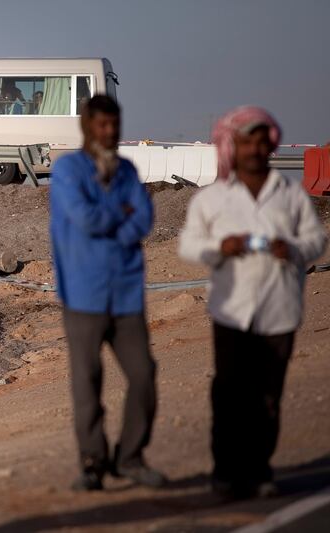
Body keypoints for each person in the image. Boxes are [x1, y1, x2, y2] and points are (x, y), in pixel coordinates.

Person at [179, 106, 327, 499]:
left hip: (279, 310)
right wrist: (220, 247)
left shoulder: (291, 195)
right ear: (233, 145)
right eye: (247, 141)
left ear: (271, 145)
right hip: (232, 310)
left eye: (262, 141)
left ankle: (259, 469)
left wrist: (291, 248)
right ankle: (225, 472)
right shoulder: (212, 199)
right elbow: (189, 245)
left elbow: (317, 241)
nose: (255, 149)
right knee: (229, 392)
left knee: (268, 395)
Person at [49, 95, 164, 492]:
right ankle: (93, 463)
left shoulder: (129, 171)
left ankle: (130, 457)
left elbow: (144, 220)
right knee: (88, 382)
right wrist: (121, 216)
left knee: (144, 374)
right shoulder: (67, 170)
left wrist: (115, 221)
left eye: (115, 124)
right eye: (102, 125)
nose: (110, 132)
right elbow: (84, 218)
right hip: (83, 293)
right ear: (87, 126)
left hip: (127, 293)